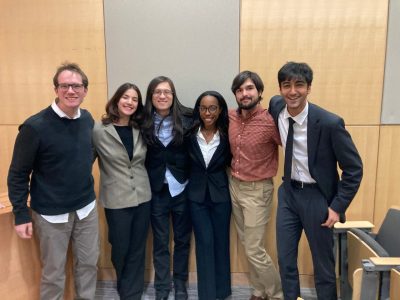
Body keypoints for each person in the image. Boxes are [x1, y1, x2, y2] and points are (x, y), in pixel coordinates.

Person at [269, 62, 363, 300]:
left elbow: (353, 169)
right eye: (286, 85)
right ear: (280, 89)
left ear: (309, 88)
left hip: (318, 197)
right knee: (285, 259)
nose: (292, 91)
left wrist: (337, 206)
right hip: (288, 192)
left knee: (322, 265)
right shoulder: (276, 106)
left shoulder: (330, 123)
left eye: (299, 85)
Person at [7, 62, 99, 299]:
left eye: (76, 86)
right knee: (54, 273)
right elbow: (18, 174)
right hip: (50, 214)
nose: (71, 91)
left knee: (88, 266)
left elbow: (88, 154)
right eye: (65, 85)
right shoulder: (34, 127)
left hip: (86, 209)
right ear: (56, 89)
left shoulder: (87, 119)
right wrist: (21, 213)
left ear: (85, 90)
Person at [92, 83, 151, 300]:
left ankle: (131, 293)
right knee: (120, 247)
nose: (130, 102)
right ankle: (123, 283)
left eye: (135, 99)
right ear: (117, 100)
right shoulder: (99, 130)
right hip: (116, 200)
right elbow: (85, 160)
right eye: (126, 97)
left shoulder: (141, 128)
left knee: (138, 246)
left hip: (143, 197)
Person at [228, 71, 283, 300]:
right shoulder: (230, 117)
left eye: (249, 88)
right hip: (234, 185)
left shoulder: (272, 122)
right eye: (240, 90)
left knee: (254, 249)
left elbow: (295, 145)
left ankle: (278, 293)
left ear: (259, 92)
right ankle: (258, 291)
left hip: (258, 191)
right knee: (247, 243)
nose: (244, 94)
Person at [141, 76, 193, 300]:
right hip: (156, 190)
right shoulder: (141, 121)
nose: (162, 96)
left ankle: (180, 283)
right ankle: (162, 287)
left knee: (182, 240)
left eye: (167, 92)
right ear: (151, 96)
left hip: (182, 188)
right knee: (161, 242)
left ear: (173, 95)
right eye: (157, 92)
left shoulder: (189, 118)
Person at [187, 91, 232, 300]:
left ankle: (222, 292)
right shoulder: (189, 134)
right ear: (198, 110)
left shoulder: (227, 134)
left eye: (213, 108)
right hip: (196, 197)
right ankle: (207, 294)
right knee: (204, 243)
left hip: (221, 197)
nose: (208, 112)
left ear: (220, 109)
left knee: (221, 243)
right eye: (204, 108)